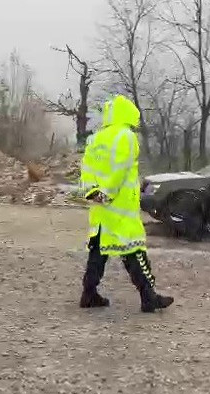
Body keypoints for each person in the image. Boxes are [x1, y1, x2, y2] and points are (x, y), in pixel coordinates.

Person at [79, 95, 175, 313]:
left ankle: (89, 293)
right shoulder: (126, 136)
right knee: (135, 252)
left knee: (98, 251)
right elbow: (120, 169)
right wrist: (109, 194)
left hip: (100, 209)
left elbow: (86, 170)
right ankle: (148, 297)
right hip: (120, 208)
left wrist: (93, 192)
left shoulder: (95, 139)